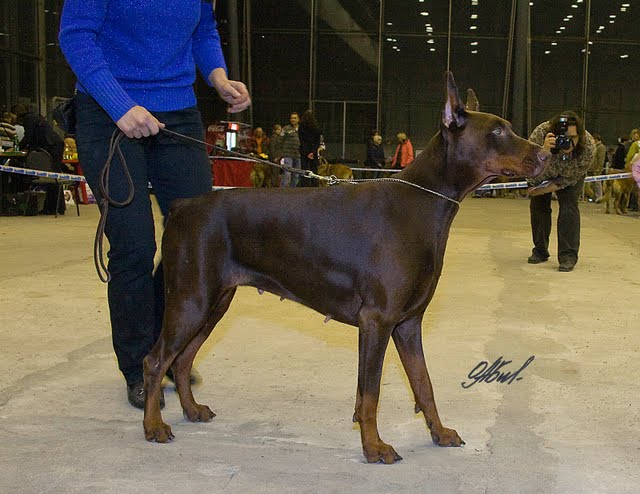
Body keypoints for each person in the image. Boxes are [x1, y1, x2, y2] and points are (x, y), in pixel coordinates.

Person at [59, 0, 251, 409]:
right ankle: (137, 366)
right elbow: (76, 35)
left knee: (198, 242)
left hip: (178, 111)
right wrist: (119, 105)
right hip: (107, 109)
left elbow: (203, 30)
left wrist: (217, 76)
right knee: (134, 245)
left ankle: (164, 348)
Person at [526, 112, 595, 272]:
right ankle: (540, 250)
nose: (568, 142)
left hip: (569, 176)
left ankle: (568, 256)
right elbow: (530, 170)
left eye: (573, 137)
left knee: (569, 208)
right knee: (538, 207)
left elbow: (570, 179)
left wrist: (548, 188)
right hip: (543, 173)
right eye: (563, 137)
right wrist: (544, 151)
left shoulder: (588, 146)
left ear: (580, 135)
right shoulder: (539, 134)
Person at [298, 110, 322, 187]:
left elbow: (302, 141)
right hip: (314, 152)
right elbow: (317, 142)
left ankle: (305, 186)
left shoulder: (301, 128)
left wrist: (307, 152)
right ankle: (314, 185)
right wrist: (313, 152)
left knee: (305, 170)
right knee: (314, 170)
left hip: (304, 152)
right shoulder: (316, 128)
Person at [280, 112, 301, 187]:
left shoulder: (302, 129)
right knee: (287, 174)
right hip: (288, 155)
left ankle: (293, 190)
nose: (293, 119)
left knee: (296, 175)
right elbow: (280, 140)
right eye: (292, 118)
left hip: (298, 155)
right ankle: (283, 190)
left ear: (298, 119)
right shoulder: (285, 129)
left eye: (295, 118)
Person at [584, 133, 606, 202]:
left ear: (596, 139)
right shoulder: (594, 146)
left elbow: (601, 159)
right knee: (593, 185)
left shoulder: (601, 147)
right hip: (591, 168)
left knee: (597, 184)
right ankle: (594, 197)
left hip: (596, 169)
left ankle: (599, 197)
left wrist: (599, 169)